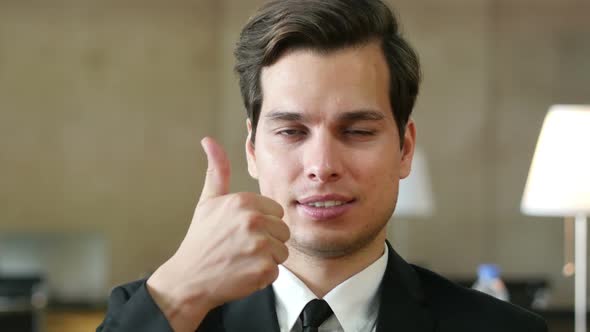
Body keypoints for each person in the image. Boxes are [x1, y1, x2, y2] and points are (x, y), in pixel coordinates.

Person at [97, 0, 548, 331]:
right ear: (252, 149)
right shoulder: (162, 312)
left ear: (405, 149)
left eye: (356, 131)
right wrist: (176, 296)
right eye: (292, 132)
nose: (322, 165)